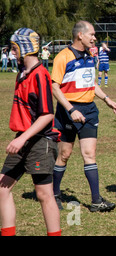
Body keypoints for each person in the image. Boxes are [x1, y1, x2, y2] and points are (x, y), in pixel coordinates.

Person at [51, 21, 116, 212]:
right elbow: (54, 87)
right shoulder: (63, 57)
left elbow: (91, 84)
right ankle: (54, 194)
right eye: (92, 34)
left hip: (89, 110)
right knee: (64, 155)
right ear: (80, 35)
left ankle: (96, 201)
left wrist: (107, 99)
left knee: (89, 154)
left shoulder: (91, 56)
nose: (94, 38)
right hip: (68, 112)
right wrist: (71, 109)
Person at [0, 28, 61, 236]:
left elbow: (47, 115)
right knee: (2, 188)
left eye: (14, 47)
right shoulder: (22, 73)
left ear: (24, 48)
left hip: (40, 141)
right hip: (23, 139)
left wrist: (23, 138)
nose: (12, 51)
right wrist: (21, 138)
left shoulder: (40, 74)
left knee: (44, 194)